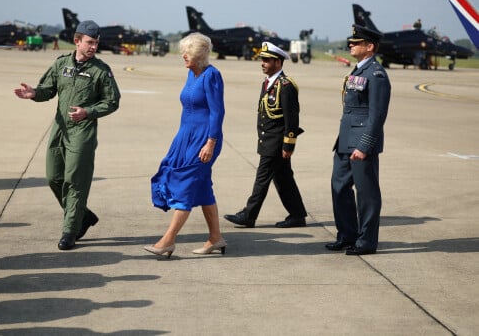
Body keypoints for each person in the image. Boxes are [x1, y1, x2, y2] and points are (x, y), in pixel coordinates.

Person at [14, 20, 121, 251]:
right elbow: (47, 90)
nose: (93, 47)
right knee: (53, 177)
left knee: (75, 182)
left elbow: (112, 102)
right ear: (77, 41)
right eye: (89, 42)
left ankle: (69, 231)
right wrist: (34, 93)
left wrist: (88, 112)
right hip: (59, 130)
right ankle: (83, 215)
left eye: (96, 43)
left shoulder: (100, 71)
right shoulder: (61, 64)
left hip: (82, 132)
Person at [145, 32, 226, 258]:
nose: (183, 56)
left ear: (200, 55)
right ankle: (216, 238)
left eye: (188, 52)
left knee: (186, 185)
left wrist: (211, 142)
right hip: (185, 137)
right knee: (201, 188)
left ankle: (168, 241)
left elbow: (217, 112)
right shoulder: (192, 74)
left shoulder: (211, 75)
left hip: (204, 139)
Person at [224, 42, 307, 229]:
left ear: (278, 62)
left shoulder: (285, 86)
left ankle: (249, 215)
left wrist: (288, 145)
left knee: (262, 178)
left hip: (276, 143)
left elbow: (291, 119)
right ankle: (297, 214)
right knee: (283, 178)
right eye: (262, 59)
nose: (263, 63)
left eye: (267, 60)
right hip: (268, 140)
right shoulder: (269, 82)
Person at [326, 24, 391, 256]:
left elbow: (377, 115)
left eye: (356, 42)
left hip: (361, 143)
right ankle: (347, 235)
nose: (350, 45)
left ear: (370, 46)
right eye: (351, 42)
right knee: (339, 187)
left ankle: (366, 241)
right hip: (345, 141)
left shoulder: (376, 74)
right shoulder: (358, 71)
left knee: (366, 194)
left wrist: (364, 146)